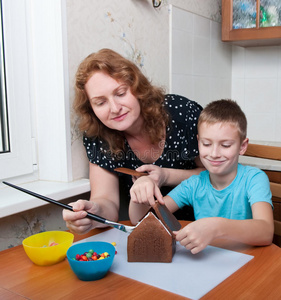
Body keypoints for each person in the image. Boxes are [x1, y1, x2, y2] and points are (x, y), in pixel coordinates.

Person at [63, 48, 204, 234]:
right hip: (150, 232)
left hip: (203, 225)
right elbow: (107, 202)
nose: (114, 108)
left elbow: (219, 177)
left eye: (120, 93)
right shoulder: (97, 136)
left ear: (137, 88)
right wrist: (94, 213)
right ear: (91, 108)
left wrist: (165, 176)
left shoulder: (182, 113)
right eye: (100, 102)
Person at [129, 99, 274, 254]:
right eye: (206, 144)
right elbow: (142, 221)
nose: (214, 154)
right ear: (198, 142)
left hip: (249, 263)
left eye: (225, 145)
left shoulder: (254, 179)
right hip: (207, 263)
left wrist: (216, 227)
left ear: (242, 146)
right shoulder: (193, 184)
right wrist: (140, 190)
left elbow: (266, 232)